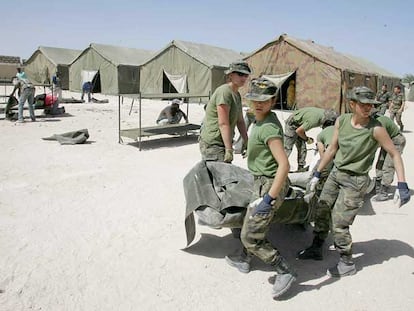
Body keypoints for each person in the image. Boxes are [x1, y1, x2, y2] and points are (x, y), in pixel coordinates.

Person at [297, 86, 410, 278]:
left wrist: (402, 184)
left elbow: (394, 153)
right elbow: (332, 149)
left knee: (340, 223)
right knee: (322, 209)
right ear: (352, 104)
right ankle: (316, 247)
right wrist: (317, 173)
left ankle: (346, 262)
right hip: (336, 174)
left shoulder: (376, 129)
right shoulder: (341, 121)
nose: (368, 108)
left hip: (355, 181)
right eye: (363, 105)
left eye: (371, 105)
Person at [225, 78, 296, 299]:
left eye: (264, 100)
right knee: (251, 220)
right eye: (254, 99)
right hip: (261, 179)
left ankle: (284, 270)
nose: (258, 103)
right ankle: (245, 259)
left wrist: (269, 199)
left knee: (250, 236)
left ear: (274, 101)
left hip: (270, 183)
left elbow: (284, 165)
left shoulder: (269, 128)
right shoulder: (260, 119)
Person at [199, 61, 251, 163]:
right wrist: (228, 149)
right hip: (213, 142)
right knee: (220, 175)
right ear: (230, 75)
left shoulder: (236, 94)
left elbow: (240, 121)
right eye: (240, 74)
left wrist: (246, 141)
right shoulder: (224, 92)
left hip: (223, 140)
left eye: (246, 75)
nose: (244, 78)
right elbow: (223, 123)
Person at [284, 107, 338, 171]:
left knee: (302, 148)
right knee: (287, 148)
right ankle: (279, 166)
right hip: (292, 123)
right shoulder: (314, 120)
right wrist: (306, 139)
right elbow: (299, 131)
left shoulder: (324, 114)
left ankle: (300, 168)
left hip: (299, 124)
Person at [372, 113, 406, 201]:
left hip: (396, 142)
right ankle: (378, 186)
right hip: (387, 141)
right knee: (380, 162)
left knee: (388, 166)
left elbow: (378, 142)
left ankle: (383, 192)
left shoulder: (379, 122)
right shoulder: (373, 121)